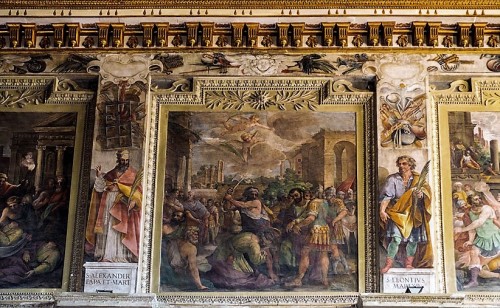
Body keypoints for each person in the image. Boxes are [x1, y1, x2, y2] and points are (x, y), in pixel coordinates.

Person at [85, 149, 143, 262]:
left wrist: (134, 201)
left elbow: (138, 191)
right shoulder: (111, 174)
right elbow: (100, 188)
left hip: (122, 205)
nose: (125, 163)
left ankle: (121, 256)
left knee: (119, 229)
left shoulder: (133, 174)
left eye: (127, 160)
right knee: (109, 227)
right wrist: (98, 176)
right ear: (119, 160)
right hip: (109, 202)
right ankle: (108, 255)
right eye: (123, 160)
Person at [379, 155, 432, 273]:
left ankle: (409, 264)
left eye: (405, 164)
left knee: (413, 240)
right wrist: (382, 210)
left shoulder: (418, 179)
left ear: (410, 165)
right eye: (400, 164)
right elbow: (387, 196)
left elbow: (427, 193)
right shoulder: (392, 179)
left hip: (414, 212)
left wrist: (421, 195)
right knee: (396, 239)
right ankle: (388, 264)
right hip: (397, 212)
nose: (401, 166)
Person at [284, 189, 331, 287]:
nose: (307, 198)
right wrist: (295, 221)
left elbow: (310, 218)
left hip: (315, 231)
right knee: (323, 254)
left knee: (305, 252)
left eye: (307, 195)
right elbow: (308, 215)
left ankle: (298, 280)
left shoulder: (313, 203)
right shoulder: (325, 202)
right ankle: (325, 280)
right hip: (325, 230)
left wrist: (298, 225)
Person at [454, 194, 500, 288]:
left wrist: (462, 230)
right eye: (476, 199)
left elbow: (479, 222)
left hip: (492, 239)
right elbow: (473, 229)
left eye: (479, 198)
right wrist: (471, 240)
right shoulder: (470, 212)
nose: (479, 200)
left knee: (480, 270)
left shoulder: (486, 208)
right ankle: (474, 281)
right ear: (470, 202)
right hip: (481, 239)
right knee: (473, 252)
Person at [162, 210, 208, 290]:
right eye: (174, 215)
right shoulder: (165, 228)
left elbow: (193, 267)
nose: (175, 217)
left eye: (178, 216)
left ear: (182, 219)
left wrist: (200, 286)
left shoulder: (188, 245)